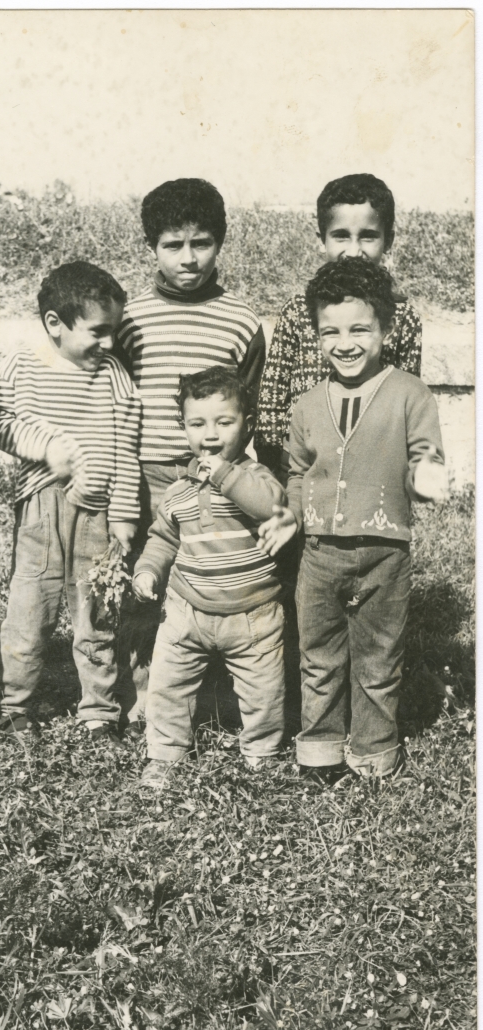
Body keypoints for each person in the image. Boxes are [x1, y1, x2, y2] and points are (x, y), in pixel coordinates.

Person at [258, 258, 448, 782]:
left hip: (386, 552)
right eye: (330, 332)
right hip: (320, 555)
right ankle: (319, 748)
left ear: (385, 329)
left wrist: (427, 474)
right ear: (316, 336)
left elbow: (424, 454)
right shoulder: (305, 405)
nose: (345, 342)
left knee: (378, 657)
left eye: (360, 329)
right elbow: (298, 474)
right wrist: (291, 516)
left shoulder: (411, 393)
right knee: (318, 654)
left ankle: (373, 751)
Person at [116, 178, 267, 721]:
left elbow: (247, 409)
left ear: (219, 243)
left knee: (211, 574)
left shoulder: (242, 320)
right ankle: (147, 692)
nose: (188, 258)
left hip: (213, 474)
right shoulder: (129, 318)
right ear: (152, 247)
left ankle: (216, 687)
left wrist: (223, 469)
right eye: (172, 245)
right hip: (145, 472)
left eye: (200, 243)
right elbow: (116, 394)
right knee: (146, 576)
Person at [0, 261, 141, 746]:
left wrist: (123, 513)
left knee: (95, 612)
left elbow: (125, 447)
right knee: (30, 610)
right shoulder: (22, 365)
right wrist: (44, 446)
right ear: (56, 324)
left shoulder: (114, 375)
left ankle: (98, 711)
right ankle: (16, 706)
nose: (109, 343)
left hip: (96, 511)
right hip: (41, 507)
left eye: (113, 331)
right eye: (98, 331)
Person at [132, 367, 287, 789]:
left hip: (252, 613)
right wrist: (147, 570)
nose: (211, 434)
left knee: (263, 692)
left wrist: (222, 473)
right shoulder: (179, 489)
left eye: (225, 422)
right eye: (197, 423)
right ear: (183, 427)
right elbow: (163, 538)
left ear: (248, 427)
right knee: (168, 684)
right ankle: (165, 753)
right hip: (187, 610)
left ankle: (261, 753)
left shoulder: (255, 477)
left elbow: (268, 506)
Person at [255, 172, 422, 482]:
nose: (354, 250)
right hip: (300, 466)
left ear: (389, 240)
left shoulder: (403, 317)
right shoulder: (297, 311)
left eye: (368, 236)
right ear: (322, 239)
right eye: (341, 235)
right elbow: (272, 397)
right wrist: (273, 464)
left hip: (370, 467)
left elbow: (408, 396)